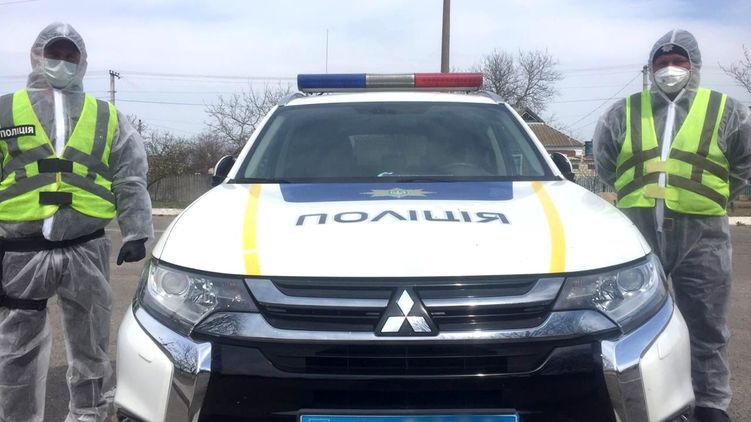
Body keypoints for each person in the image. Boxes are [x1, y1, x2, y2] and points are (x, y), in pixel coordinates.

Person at [594, 29, 751, 422]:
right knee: (631, 322)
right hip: (638, 234)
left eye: (677, 60)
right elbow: (606, 162)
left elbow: (744, 164)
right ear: (651, 68)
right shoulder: (623, 112)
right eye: (661, 62)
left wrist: (713, 196)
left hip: (703, 235)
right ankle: (645, 400)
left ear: (693, 65)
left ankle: (711, 404)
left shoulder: (727, 111)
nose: (669, 68)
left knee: (706, 323)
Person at [0, 23, 153, 421]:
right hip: (19, 251)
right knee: (15, 350)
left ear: (83, 62)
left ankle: (89, 415)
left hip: (86, 245)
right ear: (37, 55)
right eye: (55, 53)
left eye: (71, 56)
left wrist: (136, 230)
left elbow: (130, 174)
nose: (62, 62)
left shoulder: (106, 116)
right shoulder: (4, 110)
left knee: (91, 346)